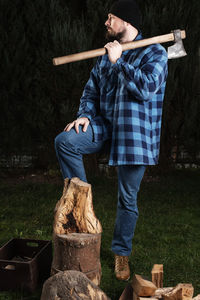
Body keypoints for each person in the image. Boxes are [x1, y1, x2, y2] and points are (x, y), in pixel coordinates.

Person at [55, 0, 168, 281]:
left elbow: (145, 88)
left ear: (127, 23)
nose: (106, 23)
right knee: (65, 141)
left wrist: (119, 63)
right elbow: (91, 91)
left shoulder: (155, 52)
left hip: (134, 134)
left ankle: (121, 254)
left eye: (111, 18)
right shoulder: (106, 54)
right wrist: (85, 115)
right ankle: (82, 205)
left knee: (127, 198)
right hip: (104, 126)